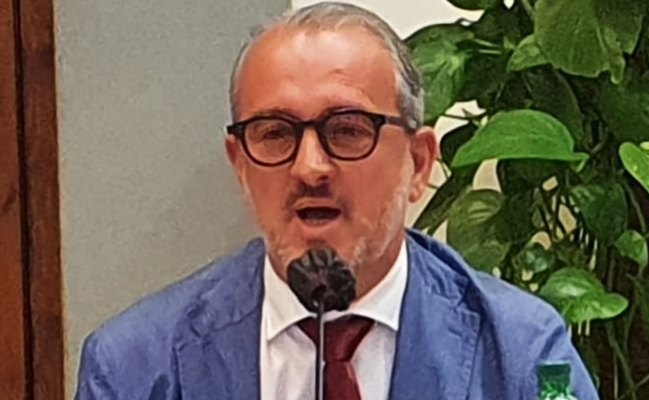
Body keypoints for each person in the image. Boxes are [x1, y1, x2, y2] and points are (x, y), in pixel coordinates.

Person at [74, 2, 600, 400]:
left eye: (347, 130)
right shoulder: (134, 369)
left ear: (419, 163)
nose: (309, 168)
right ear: (241, 166)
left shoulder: (522, 357)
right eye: (275, 133)